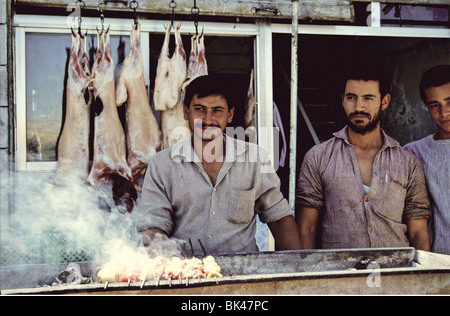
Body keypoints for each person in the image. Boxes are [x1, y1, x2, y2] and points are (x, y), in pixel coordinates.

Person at [137, 74, 301, 255]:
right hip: (186, 274)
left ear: (230, 115)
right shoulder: (162, 165)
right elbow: (153, 226)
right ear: (186, 112)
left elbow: (279, 218)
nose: (208, 119)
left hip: (244, 273)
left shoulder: (254, 158)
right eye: (199, 109)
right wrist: (173, 264)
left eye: (217, 110)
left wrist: (299, 268)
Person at [295, 65, 431, 251]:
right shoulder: (319, 157)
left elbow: (418, 232)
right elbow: (307, 228)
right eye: (351, 97)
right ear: (342, 100)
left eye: (368, 98)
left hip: (396, 272)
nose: (359, 107)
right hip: (339, 273)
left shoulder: (408, 161)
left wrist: (421, 277)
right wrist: (308, 275)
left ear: (384, 101)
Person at [404, 65, 450, 255]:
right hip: (439, 263)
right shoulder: (415, 152)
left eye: (449, 101)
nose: (444, 112)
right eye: (434, 105)